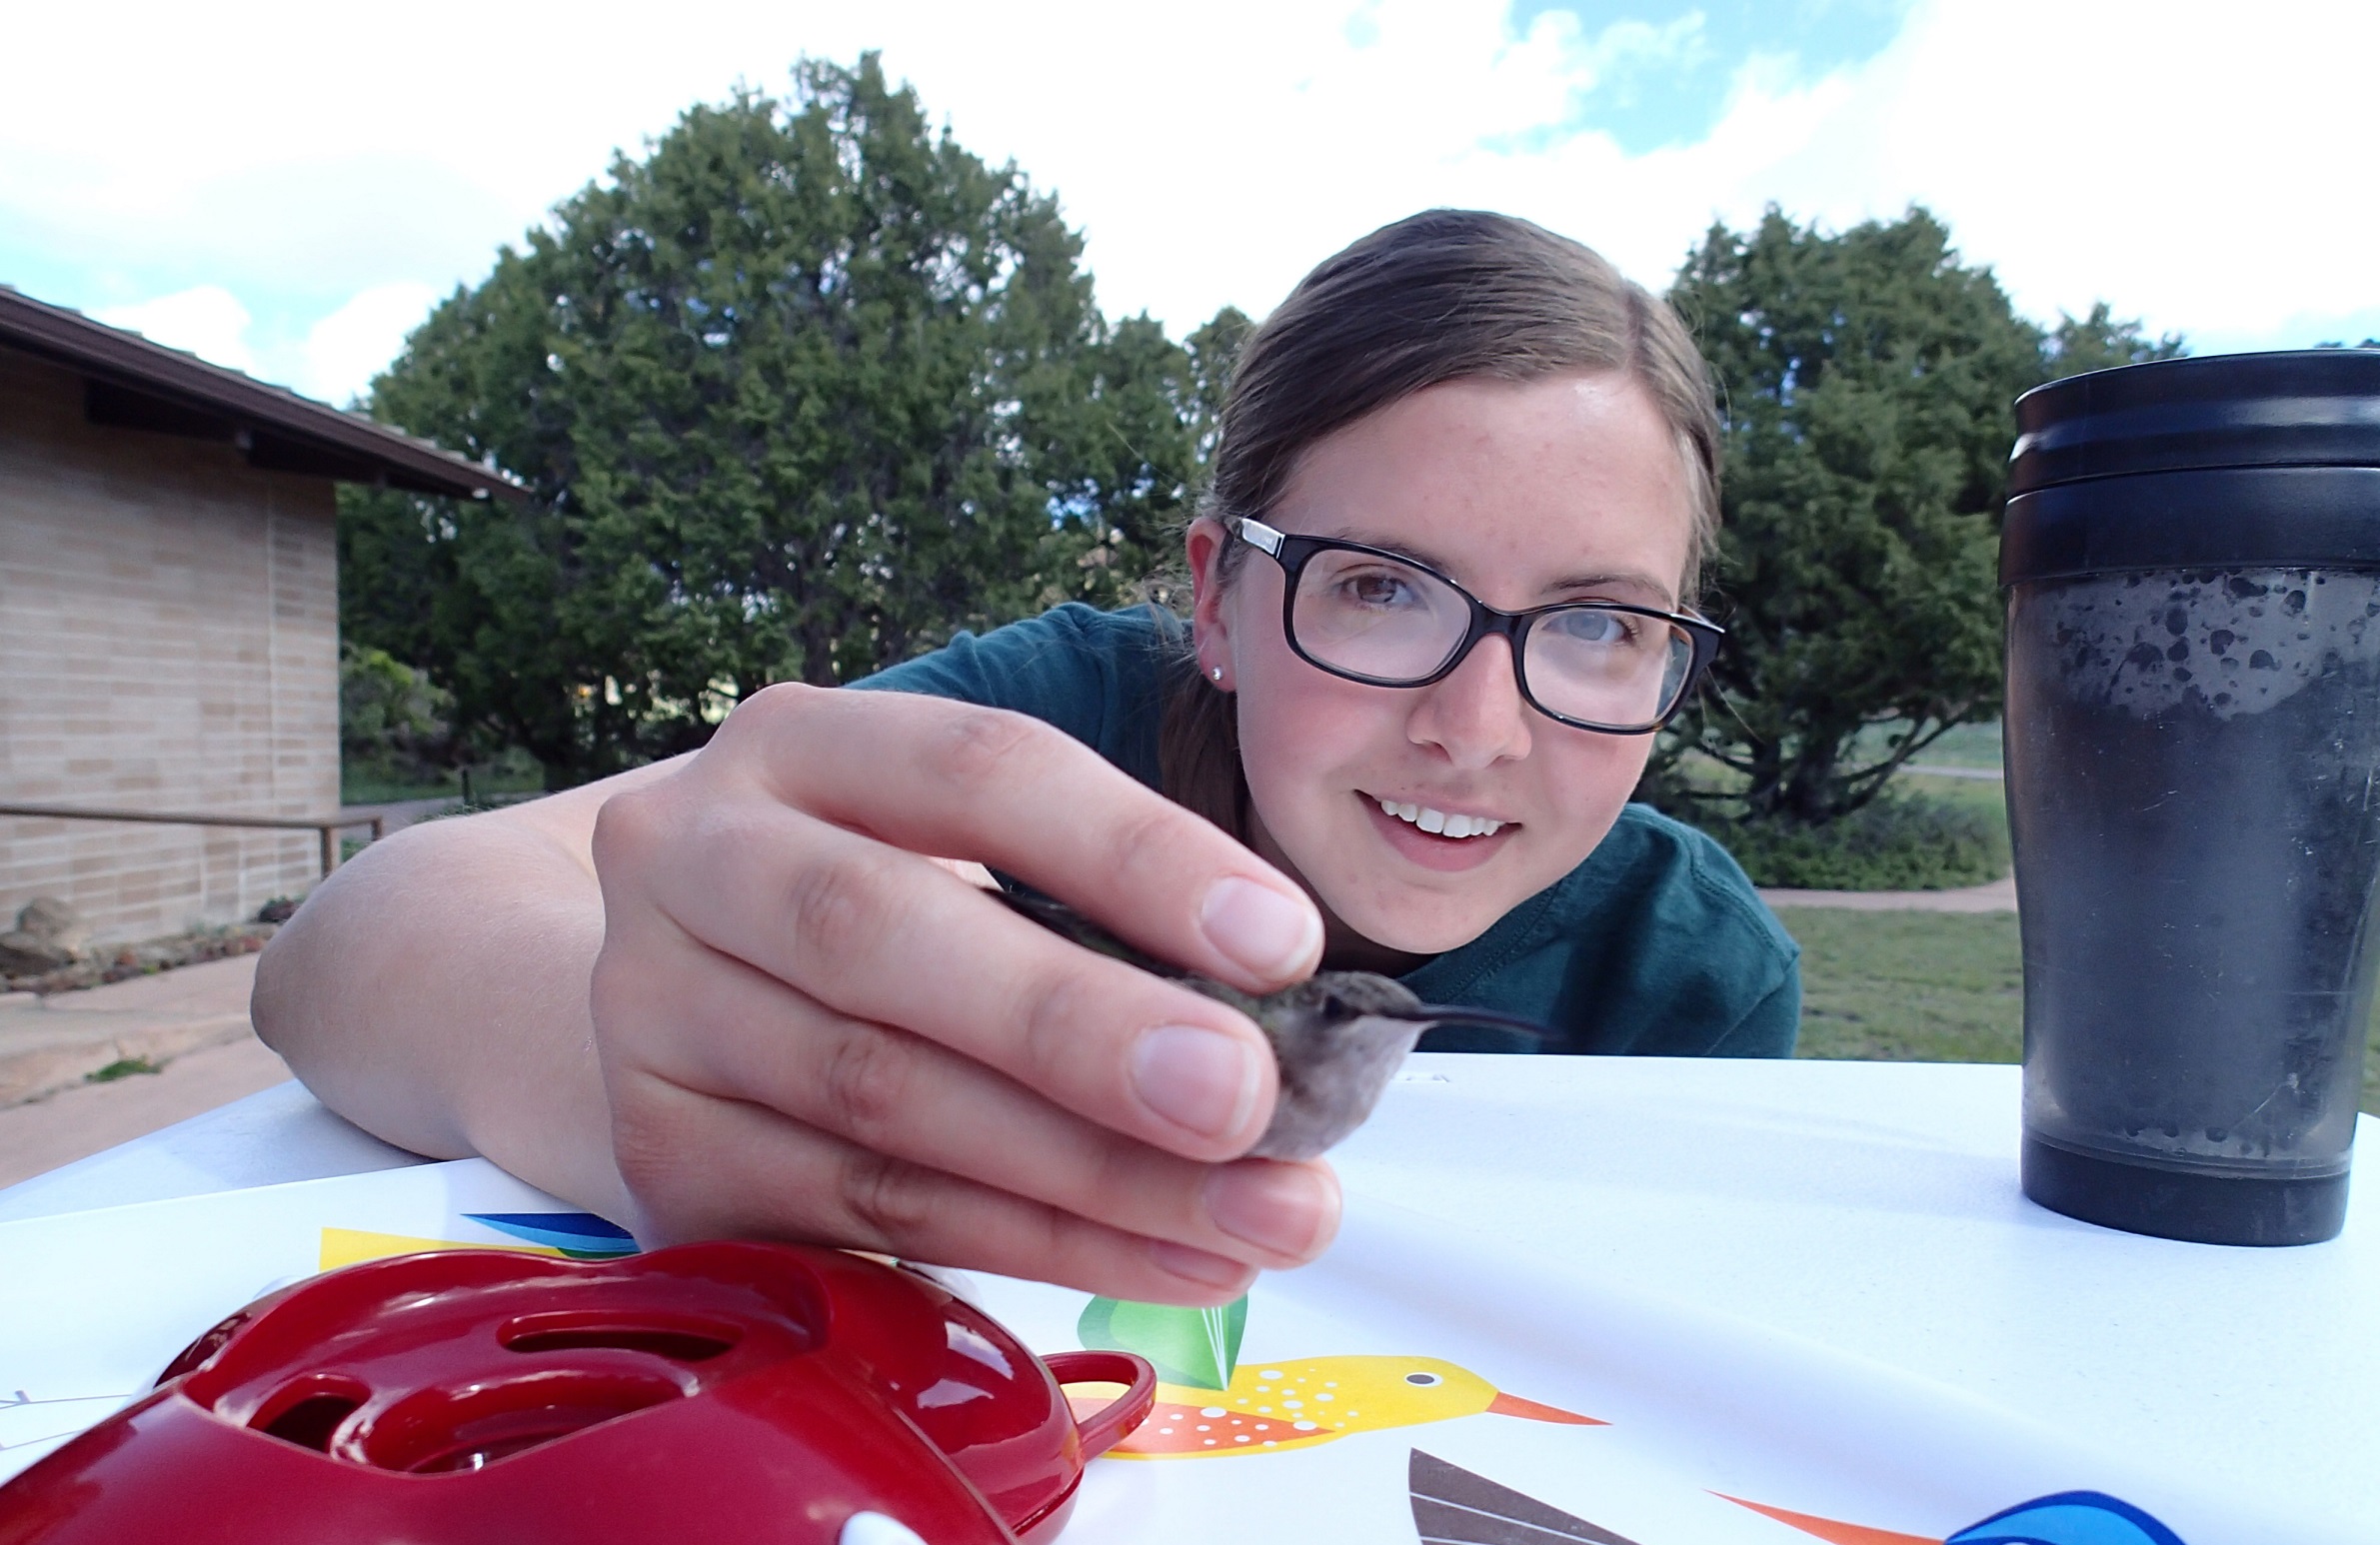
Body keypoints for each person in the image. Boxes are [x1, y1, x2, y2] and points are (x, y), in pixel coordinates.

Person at [254, 209, 1799, 1307]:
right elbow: (345, 946)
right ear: (1216, 595)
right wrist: (654, 1079)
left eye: (1598, 622)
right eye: (1380, 590)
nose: (1476, 726)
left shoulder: (1699, 978)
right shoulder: (1058, 720)